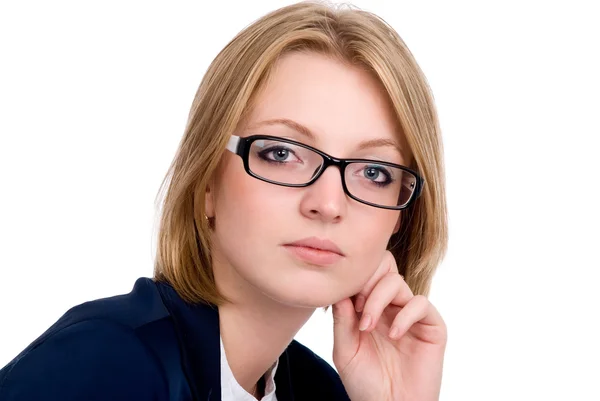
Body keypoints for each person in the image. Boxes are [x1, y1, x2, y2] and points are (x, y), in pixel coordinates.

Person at [0, 2, 448, 400]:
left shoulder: (322, 389)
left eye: (374, 172)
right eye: (282, 153)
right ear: (207, 182)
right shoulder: (102, 363)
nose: (328, 204)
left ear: (401, 218)